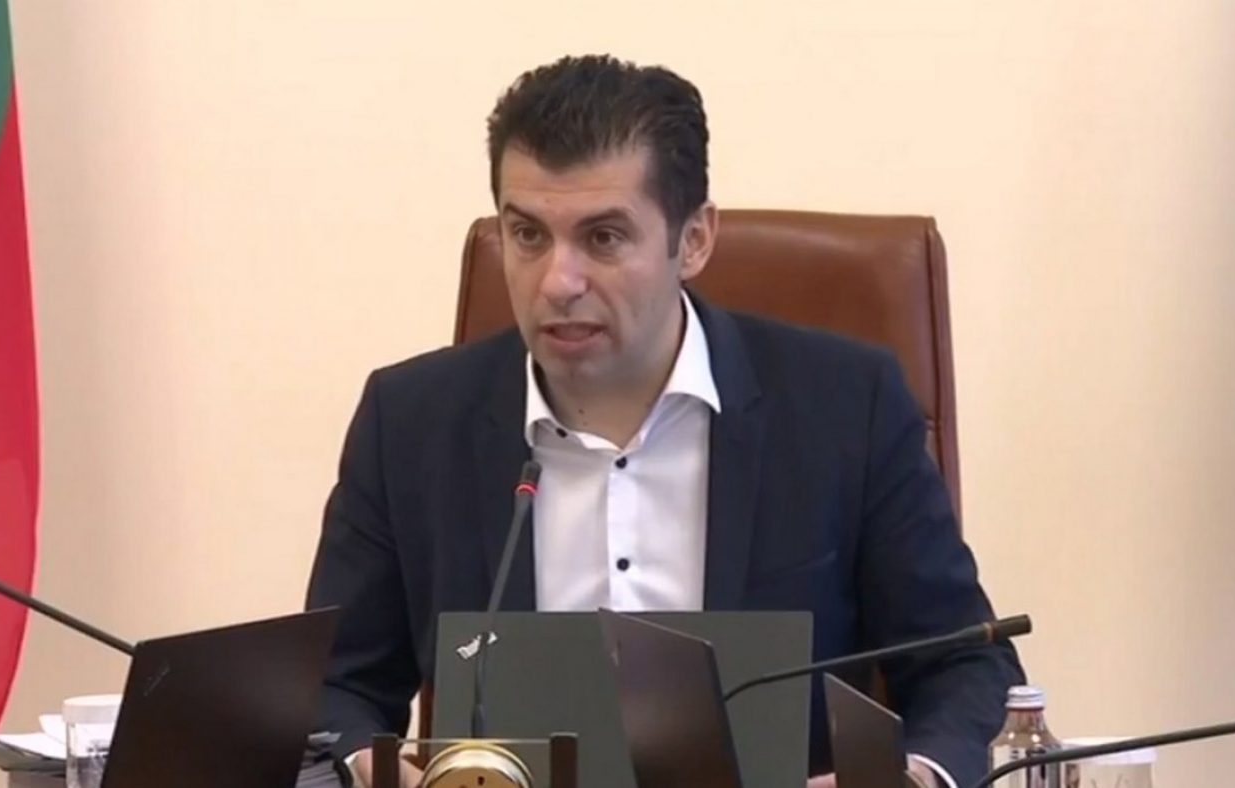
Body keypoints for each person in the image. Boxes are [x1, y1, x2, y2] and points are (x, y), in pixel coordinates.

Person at [305, 53, 1023, 788]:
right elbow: (334, 688)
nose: (558, 281)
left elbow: (965, 662)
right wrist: (371, 768)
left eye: (604, 238)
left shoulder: (846, 408)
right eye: (528, 235)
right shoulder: (410, 423)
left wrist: (911, 779)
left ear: (695, 239)